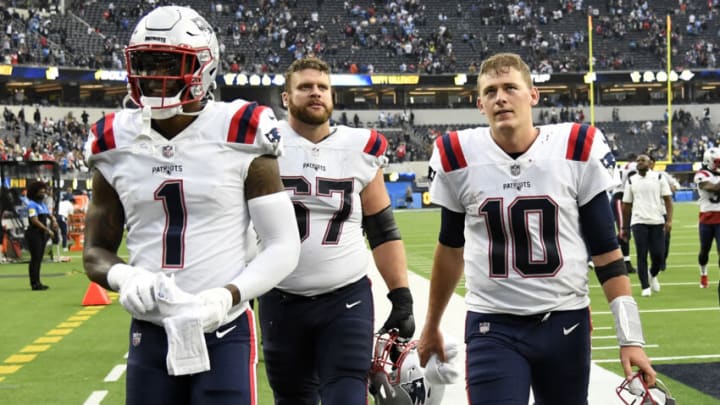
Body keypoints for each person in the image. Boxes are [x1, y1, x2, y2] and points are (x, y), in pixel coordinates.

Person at [82, 6, 300, 405]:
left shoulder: (241, 130)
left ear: (204, 66)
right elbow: (95, 252)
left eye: (169, 63)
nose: (153, 75)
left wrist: (226, 296)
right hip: (149, 330)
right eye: (145, 63)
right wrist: (124, 278)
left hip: (223, 329)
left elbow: (284, 245)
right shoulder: (113, 141)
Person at [417, 53, 655, 405]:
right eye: (491, 91)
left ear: (533, 94)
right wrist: (431, 324)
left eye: (510, 87)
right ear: (480, 104)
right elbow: (450, 247)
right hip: (492, 324)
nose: (501, 98)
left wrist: (630, 338)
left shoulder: (576, 147)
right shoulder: (457, 154)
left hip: (565, 322)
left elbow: (606, 251)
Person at [258, 57, 415, 404]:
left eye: (322, 87)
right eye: (304, 87)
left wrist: (401, 296)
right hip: (280, 297)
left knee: (347, 394)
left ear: (332, 96)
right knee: (293, 398)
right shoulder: (261, 146)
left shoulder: (359, 147)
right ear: (286, 97)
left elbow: (382, 229)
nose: (315, 93)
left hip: (346, 297)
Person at [621, 154, 673, 297]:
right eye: (638, 161)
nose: (639, 163)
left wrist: (669, 220)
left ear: (650, 163)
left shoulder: (659, 177)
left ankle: (652, 274)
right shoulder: (631, 180)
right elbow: (626, 205)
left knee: (658, 255)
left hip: (657, 220)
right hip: (638, 221)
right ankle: (645, 286)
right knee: (641, 254)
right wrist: (624, 227)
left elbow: (668, 200)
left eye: (642, 160)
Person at [693, 147, 720, 291]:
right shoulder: (701, 174)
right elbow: (713, 188)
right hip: (707, 217)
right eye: (716, 162)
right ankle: (703, 273)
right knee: (705, 250)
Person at [649, 156, 680, 271]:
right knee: (649, 239)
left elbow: (676, 185)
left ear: (653, 163)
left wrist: (669, 188)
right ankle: (655, 261)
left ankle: (663, 261)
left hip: (661, 210)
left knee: (665, 238)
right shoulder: (637, 177)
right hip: (646, 211)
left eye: (651, 162)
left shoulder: (661, 175)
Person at [25, 181, 57, 290]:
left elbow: (48, 215)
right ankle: (34, 283)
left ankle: (38, 281)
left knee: (39, 258)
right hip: (34, 233)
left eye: (44, 190)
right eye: (41, 190)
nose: (43, 192)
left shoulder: (42, 204)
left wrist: (53, 220)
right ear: (35, 192)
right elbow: (34, 220)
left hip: (41, 234)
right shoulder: (31, 205)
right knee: (35, 258)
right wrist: (47, 230)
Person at [611, 156, 638, 273]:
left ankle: (603, 247)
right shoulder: (633, 167)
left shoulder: (625, 166)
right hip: (620, 198)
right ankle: (626, 263)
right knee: (624, 232)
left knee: (626, 231)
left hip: (623, 198)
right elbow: (632, 181)